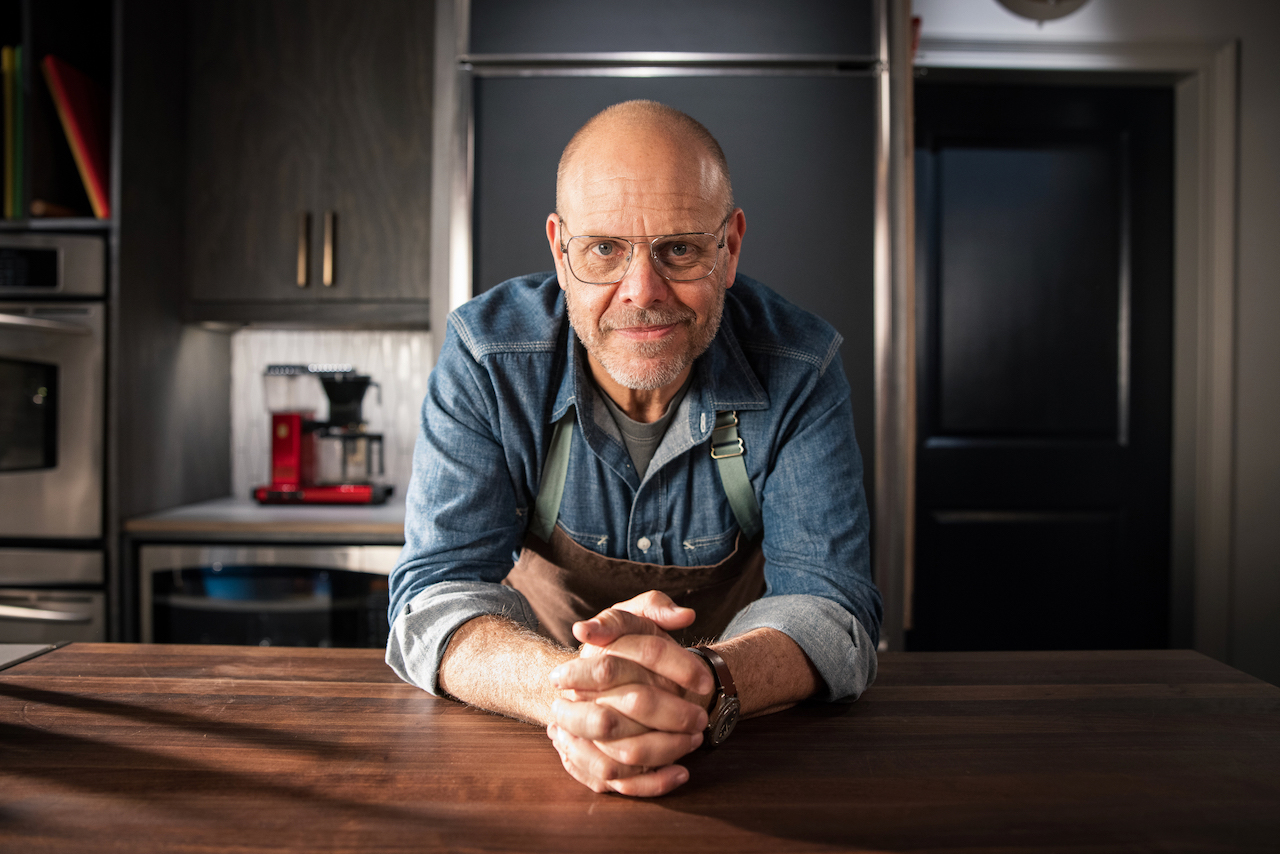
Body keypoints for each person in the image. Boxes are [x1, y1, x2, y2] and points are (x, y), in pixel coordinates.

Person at [387, 100, 882, 797]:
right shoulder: (489, 359)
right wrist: (569, 692)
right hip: (536, 742)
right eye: (603, 250)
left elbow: (833, 608)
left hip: (745, 749)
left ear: (730, 248)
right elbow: (432, 597)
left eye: (678, 249)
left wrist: (708, 685)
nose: (642, 293)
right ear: (560, 252)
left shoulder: (800, 366)